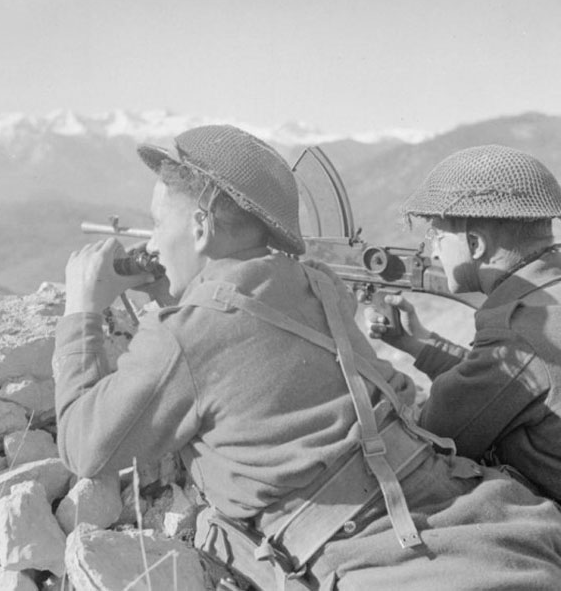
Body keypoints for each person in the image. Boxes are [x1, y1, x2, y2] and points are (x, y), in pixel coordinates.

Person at [54, 127, 561, 590]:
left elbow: (85, 446)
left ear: (202, 228)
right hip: (503, 518)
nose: (154, 242)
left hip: (385, 552)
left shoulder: (184, 334)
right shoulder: (322, 284)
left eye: (158, 224)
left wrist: (81, 312)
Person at [367, 144, 561, 502]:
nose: (434, 252)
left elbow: (430, 438)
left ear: (474, 244)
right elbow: (500, 385)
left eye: (437, 236)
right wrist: (419, 344)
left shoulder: (517, 331)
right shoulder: (543, 302)